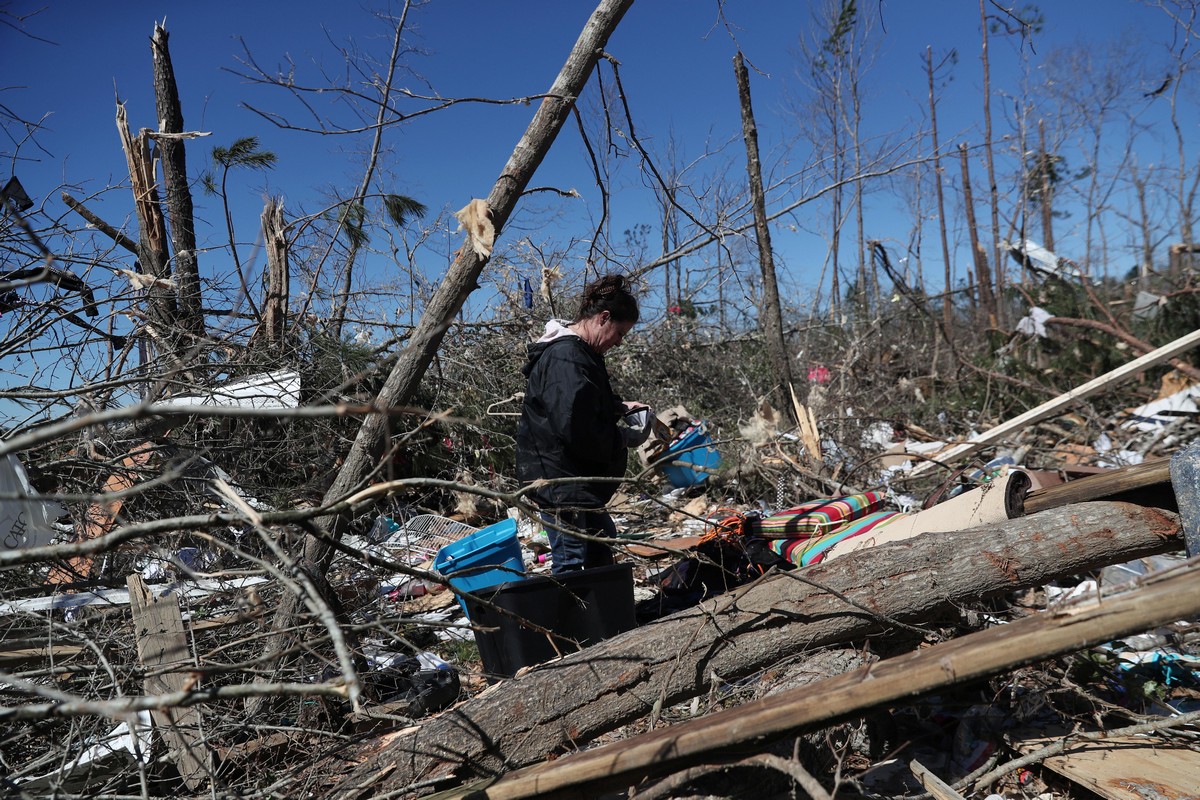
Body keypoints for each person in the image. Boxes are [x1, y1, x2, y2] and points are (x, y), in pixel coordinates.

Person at [516, 274, 648, 573]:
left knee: (601, 541)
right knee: (572, 557)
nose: (618, 342)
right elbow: (574, 426)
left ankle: (606, 617)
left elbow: (581, 401)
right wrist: (623, 439)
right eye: (619, 333)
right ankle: (572, 619)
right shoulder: (567, 357)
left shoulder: (581, 354)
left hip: (571, 477)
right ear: (603, 318)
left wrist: (619, 407)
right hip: (559, 479)